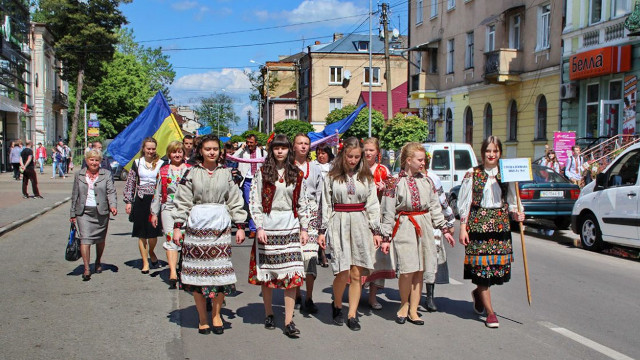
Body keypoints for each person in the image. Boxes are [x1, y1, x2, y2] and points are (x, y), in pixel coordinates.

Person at [171, 134, 247, 335]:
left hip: (220, 228)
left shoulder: (226, 173)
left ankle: (216, 314)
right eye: (208, 149)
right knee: (198, 276)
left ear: (220, 151)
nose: (212, 152)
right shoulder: (191, 173)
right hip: (197, 228)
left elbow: (235, 199)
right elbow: (182, 200)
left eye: (215, 149)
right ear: (200, 151)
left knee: (220, 274)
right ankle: (202, 318)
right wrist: (178, 226)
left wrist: (240, 225)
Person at [380, 142, 454, 325]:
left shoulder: (428, 181)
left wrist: (444, 229)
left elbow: (435, 207)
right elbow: (388, 212)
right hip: (404, 225)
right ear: (408, 160)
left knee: (420, 270)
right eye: (420, 160)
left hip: (425, 226)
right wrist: (386, 237)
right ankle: (403, 305)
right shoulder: (394, 182)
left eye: (424, 160)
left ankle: (414, 310)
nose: (423, 163)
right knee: (407, 270)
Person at [457, 136, 525, 328]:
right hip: (478, 224)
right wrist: (463, 226)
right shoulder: (473, 173)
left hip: (500, 226)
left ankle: (479, 293)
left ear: (500, 153)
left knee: (494, 271)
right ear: (483, 153)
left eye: (495, 151)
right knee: (482, 271)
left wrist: (517, 214)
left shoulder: (506, 174)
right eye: (488, 151)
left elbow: (512, 200)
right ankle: (490, 312)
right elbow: (465, 202)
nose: (492, 155)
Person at [248, 134, 310, 338]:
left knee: (292, 275)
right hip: (269, 224)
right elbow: (255, 201)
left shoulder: (297, 174)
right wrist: (259, 227)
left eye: (283, 148)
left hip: (290, 225)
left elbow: (302, 202)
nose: (280, 151)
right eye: (277, 148)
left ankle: (289, 320)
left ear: (288, 150)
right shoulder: (262, 172)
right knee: (269, 273)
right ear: (272, 150)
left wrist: (304, 228)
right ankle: (269, 313)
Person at [317, 137, 382, 331]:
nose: (353, 160)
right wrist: (322, 231)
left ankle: (352, 314)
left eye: (357, 157)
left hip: (360, 223)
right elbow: (326, 204)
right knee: (342, 271)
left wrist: (376, 230)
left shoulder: (366, 176)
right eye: (349, 156)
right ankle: (337, 305)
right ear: (342, 154)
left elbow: (373, 205)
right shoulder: (331, 176)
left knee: (356, 273)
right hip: (339, 221)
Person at [70, 149, 118, 281]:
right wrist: (72, 213)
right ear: (87, 161)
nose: (94, 162)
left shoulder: (106, 174)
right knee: (85, 239)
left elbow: (111, 191)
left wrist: (113, 205)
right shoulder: (79, 175)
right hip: (83, 212)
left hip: (101, 211)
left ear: (100, 162)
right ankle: (86, 268)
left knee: (100, 239)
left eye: (97, 160)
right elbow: (75, 194)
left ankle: (98, 261)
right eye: (91, 160)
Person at [150, 141, 191, 289]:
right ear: (169, 154)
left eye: (180, 152)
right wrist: (154, 213)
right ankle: (173, 272)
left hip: (187, 209)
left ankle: (184, 270)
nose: (177, 154)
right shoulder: (163, 171)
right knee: (170, 239)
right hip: (168, 208)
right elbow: (157, 193)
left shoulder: (190, 170)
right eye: (174, 152)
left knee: (186, 240)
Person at [292, 133, 324, 314]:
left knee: (311, 257)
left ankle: (309, 297)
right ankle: (296, 294)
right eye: (300, 143)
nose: (303, 146)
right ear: (294, 146)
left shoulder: (316, 168)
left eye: (306, 144)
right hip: (293, 215)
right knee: (296, 257)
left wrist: (320, 220)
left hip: (312, 215)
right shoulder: (288, 167)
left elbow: (320, 195)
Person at [362, 137, 395, 310]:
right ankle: (357, 289)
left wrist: (385, 189)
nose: (368, 153)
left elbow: (391, 195)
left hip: (378, 219)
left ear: (377, 152)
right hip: (360, 217)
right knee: (361, 256)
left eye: (371, 150)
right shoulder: (356, 168)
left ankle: (373, 296)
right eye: (365, 149)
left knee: (377, 259)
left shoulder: (384, 171)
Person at [124, 137, 164, 274]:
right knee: (142, 234)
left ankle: (151, 251)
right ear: (144, 149)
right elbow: (130, 182)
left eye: (153, 148)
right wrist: (128, 201)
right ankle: (145, 262)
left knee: (153, 233)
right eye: (148, 148)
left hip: (155, 200)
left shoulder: (161, 163)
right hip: (141, 200)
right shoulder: (137, 163)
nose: (151, 151)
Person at [423, 152, 456, 312]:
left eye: (424, 160)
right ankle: (409, 295)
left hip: (432, 222)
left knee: (432, 258)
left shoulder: (433, 178)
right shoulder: (405, 176)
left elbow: (442, 201)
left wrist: (449, 221)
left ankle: (429, 296)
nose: (422, 163)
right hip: (415, 222)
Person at [234, 134, 266, 238]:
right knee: (250, 203)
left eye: (251, 142)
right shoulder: (244, 152)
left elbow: (269, 161)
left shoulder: (261, 152)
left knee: (260, 203)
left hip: (259, 180)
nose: (249, 144)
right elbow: (233, 158)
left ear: (256, 142)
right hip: (246, 180)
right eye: (247, 142)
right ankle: (253, 229)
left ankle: (260, 226)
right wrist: (241, 148)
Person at [311, 144, 334, 267]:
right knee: (321, 226)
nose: (321, 155)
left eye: (323, 153)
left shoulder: (334, 166)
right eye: (318, 153)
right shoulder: (314, 166)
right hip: (318, 200)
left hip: (331, 201)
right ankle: (322, 252)